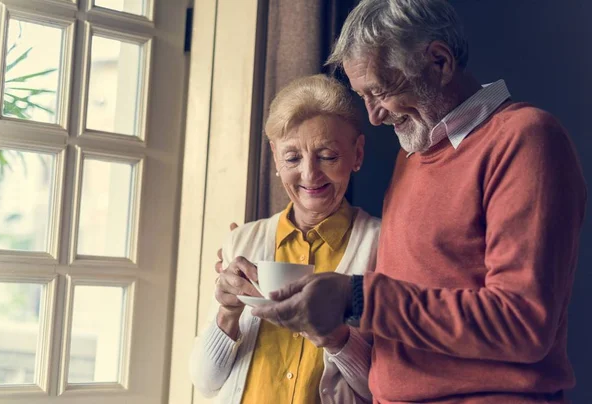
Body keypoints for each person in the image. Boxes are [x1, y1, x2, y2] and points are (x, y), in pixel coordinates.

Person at [250, 1, 588, 403]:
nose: (373, 117)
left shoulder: (525, 138)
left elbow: (523, 323)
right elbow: (407, 326)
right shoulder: (412, 154)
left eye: (380, 91)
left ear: (439, 61)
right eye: (363, 96)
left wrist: (356, 297)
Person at [189, 74, 381, 404]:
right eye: (293, 158)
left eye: (328, 156)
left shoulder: (382, 244)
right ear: (276, 157)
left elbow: (383, 389)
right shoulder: (243, 241)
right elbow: (206, 383)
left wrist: (334, 336)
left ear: (357, 154)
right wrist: (227, 313)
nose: (310, 175)